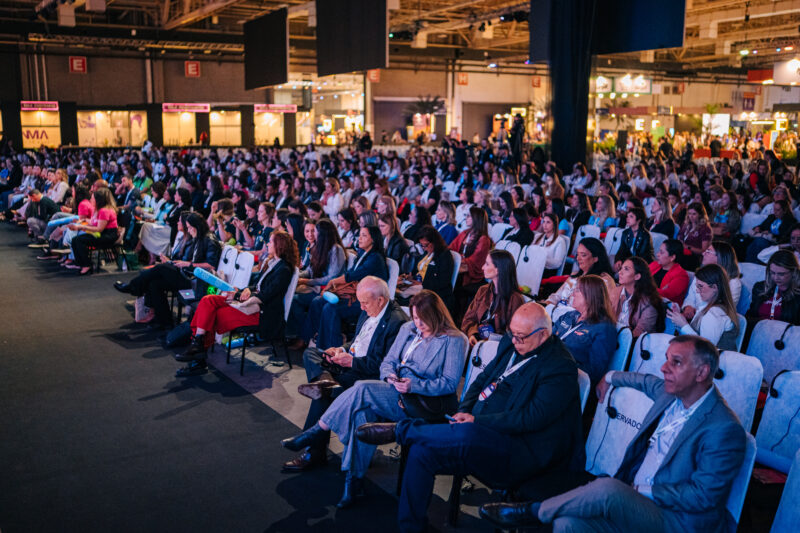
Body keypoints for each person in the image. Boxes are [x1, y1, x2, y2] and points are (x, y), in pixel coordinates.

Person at [355, 303, 585, 533]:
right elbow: (480, 381)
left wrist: (476, 422)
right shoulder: (511, 344)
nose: (514, 341)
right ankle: (410, 528)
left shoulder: (559, 367)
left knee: (468, 431)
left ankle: (401, 430)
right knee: (422, 450)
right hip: (480, 437)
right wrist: (464, 411)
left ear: (543, 334)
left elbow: (529, 418)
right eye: (512, 334)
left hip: (521, 451)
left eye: (521, 337)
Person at [480, 335, 746, 533]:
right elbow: (641, 380)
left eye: (675, 362)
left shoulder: (723, 429)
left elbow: (703, 496)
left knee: (608, 488)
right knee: (566, 525)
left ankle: (531, 511)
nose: (664, 368)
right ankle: (543, 513)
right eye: (666, 359)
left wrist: (641, 490)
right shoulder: (670, 394)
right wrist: (610, 376)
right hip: (637, 504)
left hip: (676, 520)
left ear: (702, 372)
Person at [280, 290, 467, 509]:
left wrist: (413, 385)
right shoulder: (408, 329)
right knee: (362, 415)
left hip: (423, 403)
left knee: (361, 388)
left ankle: (316, 431)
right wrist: (391, 377)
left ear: (436, 315)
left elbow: (449, 383)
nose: (418, 323)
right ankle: (353, 482)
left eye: (423, 319)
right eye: (415, 317)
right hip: (395, 391)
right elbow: (387, 362)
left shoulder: (453, 340)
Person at [283, 277, 408, 473]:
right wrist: (341, 349)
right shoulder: (370, 308)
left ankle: (313, 452)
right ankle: (326, 380)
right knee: (311, 353)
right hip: (351, 364)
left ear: (381, 300)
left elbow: (384, 365)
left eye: (364, 302)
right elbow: (358, 341)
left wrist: (352, 361)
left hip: (367, 375)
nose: (361, 307)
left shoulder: (396, 322)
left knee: (322, 395)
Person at [175, 231, 297, 376]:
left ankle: (197, 357)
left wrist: (239, 295)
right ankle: (198, 345)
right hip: (252, 304)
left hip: (262, 313)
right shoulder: (273, 263)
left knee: (213, 313)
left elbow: (268, 294)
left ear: (280, 245)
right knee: (208, 300)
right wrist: (243, 290)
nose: (267, 244)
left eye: (270, 241)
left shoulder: (284, 269)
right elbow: (258, 287)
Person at [113, 213, 221, 329]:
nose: (188, 230)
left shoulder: (208, 240)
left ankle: (133, 287)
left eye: (189, 227)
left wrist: (188, 264)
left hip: (196, 281)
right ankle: (165, 322)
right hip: (189, 275)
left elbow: (211, 266)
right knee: (154, 283)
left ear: (196, 227)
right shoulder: (198, 238)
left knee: (160, 268)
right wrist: (176, 263)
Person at [299, 225, 389, 350]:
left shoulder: (375, 258)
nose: (360, 238)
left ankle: (333, 350)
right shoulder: (363, 254)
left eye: (364, 235)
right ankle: (307, 339)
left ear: (373, 239)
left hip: (368, 300)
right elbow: (350, 274)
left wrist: (332, 283)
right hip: (355, 294)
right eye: (360, 235)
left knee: (331, 308)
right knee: (317, 302)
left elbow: (353, 275)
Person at [552, 275, 617, 385]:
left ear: (590, 295)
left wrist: (561, 362)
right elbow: (548, 341)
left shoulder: (604, 328)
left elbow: (595, 372)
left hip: (566, 378)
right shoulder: (568, 316)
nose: (572, 295)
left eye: (577, 291)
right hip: (548, 366)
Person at [288, 219, 347, 338]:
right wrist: (294, 276)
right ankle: (300, 333)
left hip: (329, 289)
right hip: (317, 286)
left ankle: (304, 336)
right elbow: (310, 271)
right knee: (290, 294)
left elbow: (332, 277)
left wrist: (307, 281)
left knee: (294, 300)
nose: (312, 235)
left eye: (315, 231)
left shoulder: (336, 249)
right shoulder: (318, 247)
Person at [461, 249, 526, 346]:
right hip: (476, 343)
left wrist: (489, 343)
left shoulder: (515, 299)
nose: (482, 267)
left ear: (498, 269)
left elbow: (513, 334)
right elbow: (468, 319)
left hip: (496, 347)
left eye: (487, 264)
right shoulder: (483, 290)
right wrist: (472, 334)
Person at [668, 265, 739, 350]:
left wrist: (684, 325)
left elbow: (706, 349)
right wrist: (679, 320)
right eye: (697, 286)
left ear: (715, 288)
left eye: (700, 286)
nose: (697, 291)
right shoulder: (707, 304)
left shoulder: (715, 314)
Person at [546, 237, 616, 307]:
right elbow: (556, 297)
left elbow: (602, 308)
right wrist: (547, 305)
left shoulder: (604, 280)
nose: (578, 258)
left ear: (595, 258)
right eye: (578, 254)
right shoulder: (574, 276)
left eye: (583, 255)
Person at [682, 241, 742, 320]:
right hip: (694, 318)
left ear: (720, 257)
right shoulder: (702, 274)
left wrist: (697, 312)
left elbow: (726, 309)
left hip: (713, 321)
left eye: (708, 252)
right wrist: (688, 307)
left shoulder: (734, 283)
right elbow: (691, 297)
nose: (703, 254)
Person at [402, 225, 455, 311]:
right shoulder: (426, 253)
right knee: (400, 294)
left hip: (434, 293)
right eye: (422, 245)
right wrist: (412, 276)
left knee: (404, 299)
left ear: (434, 242)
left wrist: (420, 284)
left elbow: (442, 282)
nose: (424, 248)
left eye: (426, 245)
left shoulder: (444, 256)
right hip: (420, 286)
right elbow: (419, 269)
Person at [68, 188, 120, 276]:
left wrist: (80, 227)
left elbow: (99, 229)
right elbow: (94, 224)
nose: (90, 200)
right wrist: (81, 224)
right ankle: (81, 264)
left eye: (92, 198)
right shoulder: (99, 210)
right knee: (75, 239)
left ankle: (87, 265)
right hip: (102, 234)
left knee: (79, 240)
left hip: (108, 236)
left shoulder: (104, 211)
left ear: (98, 200)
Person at [614, 257, 666, 337]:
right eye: (621, 268)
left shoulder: (649, 302)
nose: (620, 272)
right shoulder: (616, 291)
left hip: (634, 344)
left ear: (637, 276)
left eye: (626, 269)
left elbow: (639, 333)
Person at [747, 250, 800, 325]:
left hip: (786, 335)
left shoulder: (797, 294)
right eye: (772, 273)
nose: (775, 278)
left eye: (781, 274)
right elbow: (751, 315)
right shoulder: (760, 288)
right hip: (760, 333)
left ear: (793, 272)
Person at [649, 239, 690, 306]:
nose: (657, 254)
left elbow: (666, 294)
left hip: (664, 307)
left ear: (672, 257)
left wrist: (643, 286)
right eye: (659, 251)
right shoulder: (655, 264)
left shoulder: (681, 275)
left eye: (661, 252)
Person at [677, 202, 712, 270]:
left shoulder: (705, 229)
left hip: (694, 259)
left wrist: (687, 247)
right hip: (682, 254)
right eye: (689, 214)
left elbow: (703, 251)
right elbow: (680, 236)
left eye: (694, 214)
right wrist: (680, 241)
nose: (691, 216)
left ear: (700, 215)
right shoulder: (686, 224)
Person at [533, 212, 568, 278]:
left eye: (548, 222)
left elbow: (557, 263)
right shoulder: (537, 236)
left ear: (554, 225)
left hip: (547, 271)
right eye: (544, 222)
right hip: (535, 266)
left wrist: (541, 259)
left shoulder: (560, 241)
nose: (545, 225)